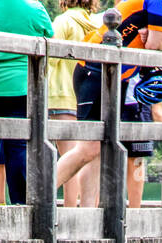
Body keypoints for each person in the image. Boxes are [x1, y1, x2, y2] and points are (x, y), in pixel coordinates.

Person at [55, 0, 162, 210]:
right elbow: (154, 44)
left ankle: (87, 213)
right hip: (94, 69)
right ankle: (41, 193)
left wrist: (159, 36)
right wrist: (156, 37)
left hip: (120, 75)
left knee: (97, 148)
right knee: (88, 147)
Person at [0, 0, 53, 206]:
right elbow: (49, 33)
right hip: (21, 86)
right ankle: (22, 206)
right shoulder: (33, 8)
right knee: (18, 148)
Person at [50, 0, 97, 208]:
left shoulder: (63, 21)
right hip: (85, 97)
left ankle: (69, 211)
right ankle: (84, 208)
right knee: (82, 156)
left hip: (62, 93)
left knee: (69, 157)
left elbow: (49, 58)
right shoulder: (96, 23)